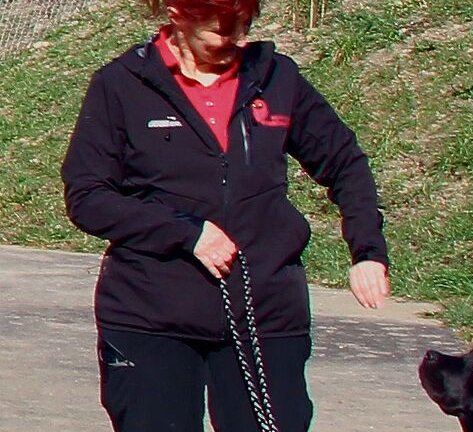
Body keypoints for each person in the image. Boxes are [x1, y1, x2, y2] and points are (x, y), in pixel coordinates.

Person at [60, 0, 390, 430]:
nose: (235, 41)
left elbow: (345, 162)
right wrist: (186, 233)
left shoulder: (276, 78)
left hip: (265, 310)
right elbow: (87, 196)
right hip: (151, 313)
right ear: (177, 12)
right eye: (221, 31)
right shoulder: (122, 85)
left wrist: (367, 250)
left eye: (244, 26)